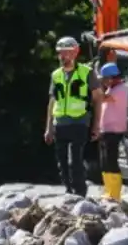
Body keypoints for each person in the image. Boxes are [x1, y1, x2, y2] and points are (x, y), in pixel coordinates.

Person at [44, 36, 103, 196]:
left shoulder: (87, 72)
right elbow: (52, 101)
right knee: (62, 162)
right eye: (60, 53)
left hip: (79, 122)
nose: (62, 57)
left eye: (66, 53)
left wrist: (97, 124)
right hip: (60, 123)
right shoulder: (56, 75)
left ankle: (80, 192)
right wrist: (48, 127)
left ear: (75, 53)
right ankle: (68, 191)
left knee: (74, 161)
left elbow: (98, 98)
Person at [98, 62, 128, 201]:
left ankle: (115, 194)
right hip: (106, 130)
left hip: (114, 130)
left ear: (111, 77)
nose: (104, 81)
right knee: (105, 161)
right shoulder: (112, 88)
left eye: (104, 78)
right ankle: (108, 190)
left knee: (111, 161)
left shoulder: (121, 89)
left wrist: (96, 87)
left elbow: (101, 98)